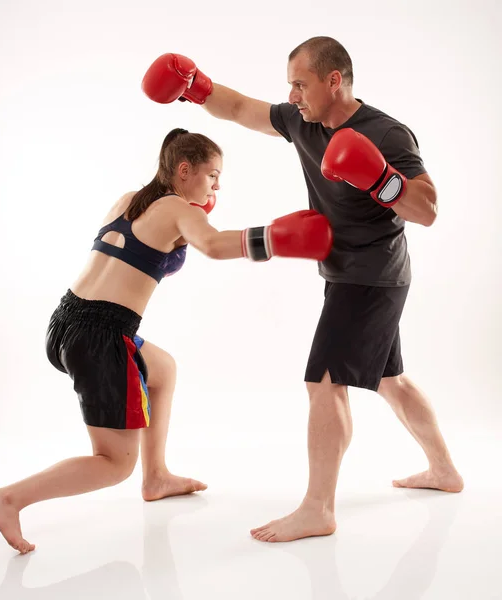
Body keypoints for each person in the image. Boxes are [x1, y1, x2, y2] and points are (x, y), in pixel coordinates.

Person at [141, 37, 465, 543]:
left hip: (371, 276)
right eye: (290, 85)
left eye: (300, 83)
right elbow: (241, 108)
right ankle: (444, 470)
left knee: (324, 382)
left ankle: (319, 507)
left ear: (333, 80)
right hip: (350, 274)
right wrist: (194, 87)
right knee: (390, 379)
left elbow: (427, 210)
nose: (292, 94)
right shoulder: (303, 121)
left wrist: (379, 177)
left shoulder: (385, 132)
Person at [0, 128, 333, 554]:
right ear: (184, 171)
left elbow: (137, 254)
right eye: (212, 176)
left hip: (65, 321)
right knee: (112, 464)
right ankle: (9, 499)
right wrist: (276, 238)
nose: (217, 186)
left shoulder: (131, 199)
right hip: (101, 337)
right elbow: (215, 246)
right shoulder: (177, 208)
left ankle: (157, 476)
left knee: (162, 368)